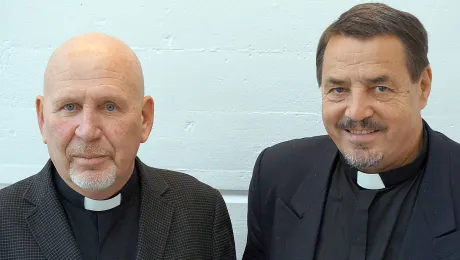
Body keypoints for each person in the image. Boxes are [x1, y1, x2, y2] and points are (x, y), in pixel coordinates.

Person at [243, 3, 460, 260]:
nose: (356, 112)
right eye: (338, 90)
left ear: (422, 87)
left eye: (380, 88)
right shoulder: (278, 175)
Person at [0, 32, 236, 260]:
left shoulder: (201, 211)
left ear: (145, 118)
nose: (88, 131)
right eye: (70, 107)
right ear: (42, 119)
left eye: (109, 106)